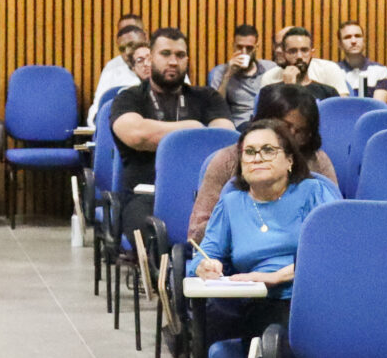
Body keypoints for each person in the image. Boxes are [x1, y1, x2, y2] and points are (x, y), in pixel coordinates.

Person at [193, 119, 347, 358]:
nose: (257, 158)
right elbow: (205, 254)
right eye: (249, 152)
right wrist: (207, 266)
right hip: (260, 306)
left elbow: (336, 247)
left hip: (317, 296)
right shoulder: (232, 202)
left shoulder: (314, 191)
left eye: (268, 150)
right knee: (286, 339)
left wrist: (278, 274)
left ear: (290, 159)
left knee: (319, 337)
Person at [109, 29, 231, 238]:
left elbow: (224, 140)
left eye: (180, 55)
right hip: (147, 195)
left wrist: (170, 135)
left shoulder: (207, 97)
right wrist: (195, 128)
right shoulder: (129, 98)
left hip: (200, 193)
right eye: (165, 54)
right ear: (150, 58)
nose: (173, 62)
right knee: (150, 233)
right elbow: (137, 135)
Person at [187, 84, 335, 243]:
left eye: (301, 132)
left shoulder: (317, 161)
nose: (290, 137)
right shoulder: (227, 160)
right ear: (262, 123)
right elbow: (196, 233)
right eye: (285, 127)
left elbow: (334, 222)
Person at [260, 27, 346, 99]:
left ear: (312, 53)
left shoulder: (328, 92)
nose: (299, 56)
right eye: (293, 51)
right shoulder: (269, 92)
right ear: (284, 54)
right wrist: (289, 88)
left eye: (304, 50)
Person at [207, 23, 269, 122]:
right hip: (240, 123)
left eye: (249, 48)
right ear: (233, 46)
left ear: (256, 47)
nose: (244, 52)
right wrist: (228, 75)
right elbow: (215, 107)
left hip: (265, 121)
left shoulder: (269, 68)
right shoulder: (220, 72)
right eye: (239, 47)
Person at [91, 18, 147, 119]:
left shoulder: (163, 65)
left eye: (132, 45)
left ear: (145, 39)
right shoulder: (112, 68)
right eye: (122, 49)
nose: (127, 53)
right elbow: (96, 110)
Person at [329, 22, 387, 104]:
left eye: (357, 36)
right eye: (347, 37)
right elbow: (340, 105)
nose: (353, 41)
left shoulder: (379, 70)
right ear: (340, 44)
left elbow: (378, 106)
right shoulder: (333, 71)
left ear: (364, 41)